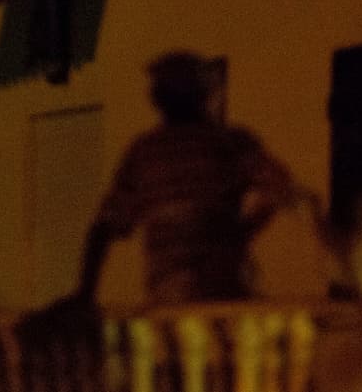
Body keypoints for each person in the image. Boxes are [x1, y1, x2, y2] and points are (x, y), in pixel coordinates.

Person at [66, 51, 303, 306]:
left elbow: (104, 227)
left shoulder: (145, 152)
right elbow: (282, 188)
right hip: (224, 293)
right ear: (203, 94)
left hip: (169, 297)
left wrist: (84, 294)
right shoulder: (230, 142)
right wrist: (241, 233)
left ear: (157, 98)